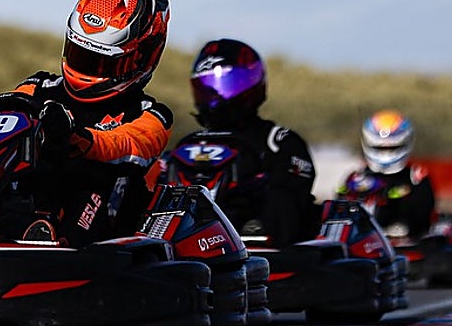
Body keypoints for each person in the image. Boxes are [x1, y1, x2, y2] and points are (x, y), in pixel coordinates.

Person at [8, 0, 174, 245]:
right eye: (80, 55)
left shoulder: (152, 115)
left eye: (102, 63)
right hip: (25, 200)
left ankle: (54, 243)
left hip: (102, 234)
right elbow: (7, 116)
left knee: (93, 183)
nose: (87, 69)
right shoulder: (37, 88)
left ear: (142, 57)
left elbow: (129, 146)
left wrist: (76, 137)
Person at [177, 38, 320, 248]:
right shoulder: (188, 145)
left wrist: (250, 190)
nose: (218, 94)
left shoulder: (278, 142)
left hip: (262, 251)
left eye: (228, 83)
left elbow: (286, 206)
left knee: (281, 195)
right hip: (194, 249)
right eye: (209, 86)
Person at [338, 109, 436, 238]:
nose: (386, 154)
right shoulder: (357, 177)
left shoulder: (415, 178)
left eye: (391, 148)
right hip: (360, 239)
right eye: (380, 148)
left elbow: (423, 215)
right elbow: (338, 208)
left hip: (404, 240)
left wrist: (392, 198)